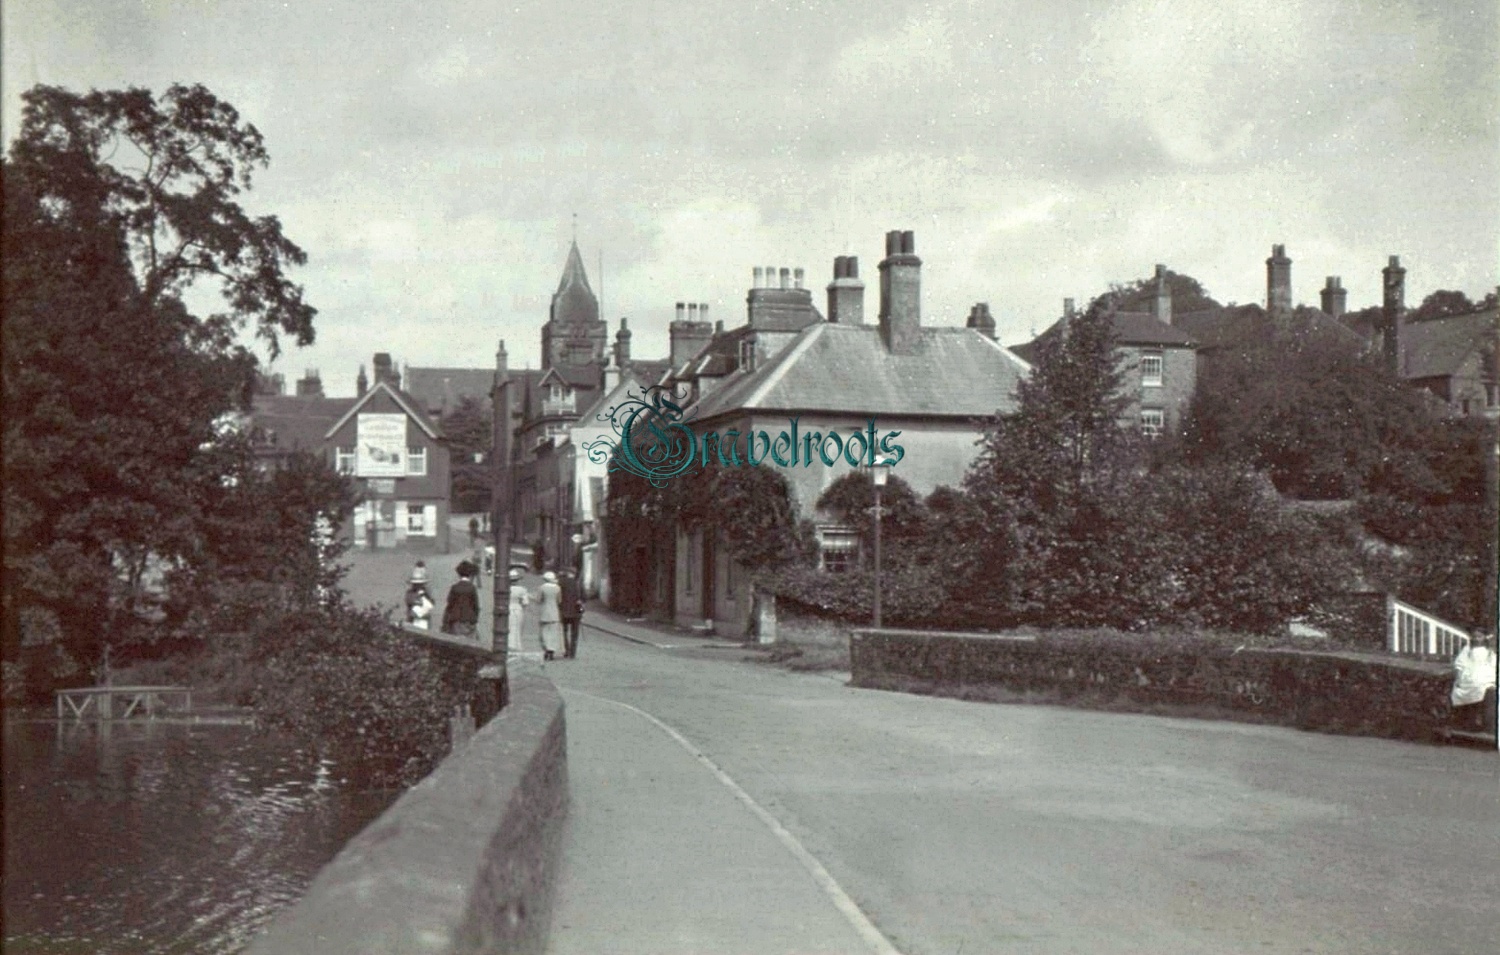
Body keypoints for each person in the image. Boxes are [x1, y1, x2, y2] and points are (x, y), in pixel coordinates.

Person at [1451, 631, 1498, 735]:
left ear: (1484, 638)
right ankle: (1469, 723)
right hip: (1470, 675)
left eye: (1479, 637)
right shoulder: (1467, 650)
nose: (1477, 639)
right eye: (1475, 637)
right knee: (1474, 687)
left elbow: (1493, 665)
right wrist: (1458, 678)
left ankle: (1490, 726)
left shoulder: (1489, 651)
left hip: (1486, 674)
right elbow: (1460, 665)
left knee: (1489, 688)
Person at [442, 560, 481, 638]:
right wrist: (475, 618)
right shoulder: (472, 588)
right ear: (469, 575)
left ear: (459, 574)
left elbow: (450, 604)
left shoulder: (455, 587)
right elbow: (475, 606)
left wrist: (445, 621)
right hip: (469, 620)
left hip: (456, 620)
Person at [537, 570, 563, 661]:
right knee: (553, 632)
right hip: (554, 612)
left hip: (545, 611)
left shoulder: (542, 588)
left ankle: (546, 649)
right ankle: (552, 650)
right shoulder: (557, 588)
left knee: (544, 632)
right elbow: (559, 600)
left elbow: (539, 599)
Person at [560, 569, 584, 659]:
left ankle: (567, 650)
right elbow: (584, 597)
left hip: (564, 611)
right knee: (574, 634)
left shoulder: (562, 583)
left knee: (564, 632)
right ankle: (573, 653)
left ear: (567, 574)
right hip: (576, 612)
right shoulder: (578, 584)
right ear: (574, 574)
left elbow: (559, 597)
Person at [506, 568, 529, 653]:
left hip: (508, 607)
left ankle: (509, 645)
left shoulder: (506, 588)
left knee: (509, 628)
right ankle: (516, 645)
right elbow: (525, 602)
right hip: (518, 608)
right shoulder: (522, 590)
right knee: (517, 628)